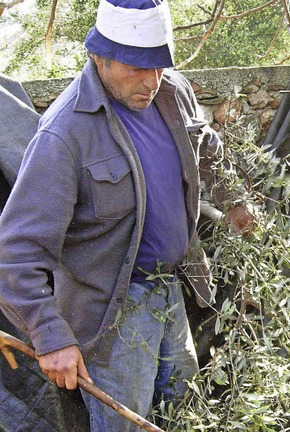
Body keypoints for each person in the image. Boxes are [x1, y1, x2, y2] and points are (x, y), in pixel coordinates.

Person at [0, 0, 251, 430]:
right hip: (111, 317)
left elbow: (204, 149)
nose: (151, 81)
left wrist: (234, 200)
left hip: (170, 289)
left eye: (158, 66)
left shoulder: (172, 92)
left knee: (182, 402)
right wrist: (51, 338)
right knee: (127, 423)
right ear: (100, 56)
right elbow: (15, 255)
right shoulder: (64, 135)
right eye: (137, 68)